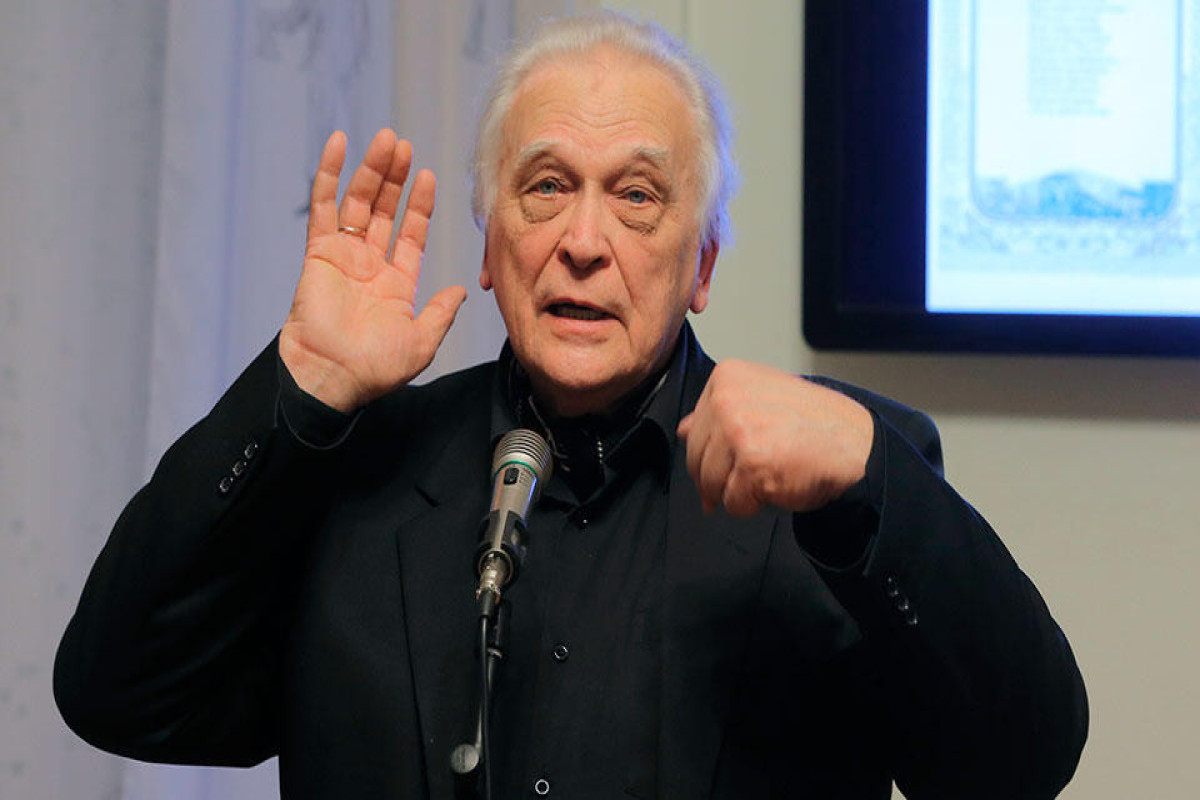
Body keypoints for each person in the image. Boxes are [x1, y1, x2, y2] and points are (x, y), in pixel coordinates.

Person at [54, 11, 1087, 800]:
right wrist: (303, 389)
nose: (583, 241)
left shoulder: (834, 481)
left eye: (637, 195)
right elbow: (119, 692)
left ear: (702, 264)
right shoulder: (358, 468)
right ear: (492, 244)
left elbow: (1015, 763)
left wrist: (870, 479)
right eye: (546, 185)